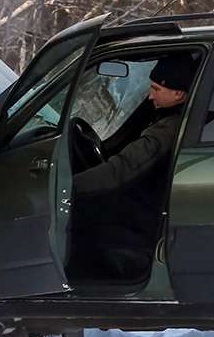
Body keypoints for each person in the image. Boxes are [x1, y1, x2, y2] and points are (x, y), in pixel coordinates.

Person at [72, 54, 195, 278]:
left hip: (144, 220)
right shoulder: (168, 118)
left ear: (178, 93)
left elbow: (120, 170)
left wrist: (66, 188)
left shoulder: (168, 130)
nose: (149, 95)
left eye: (156, 89)